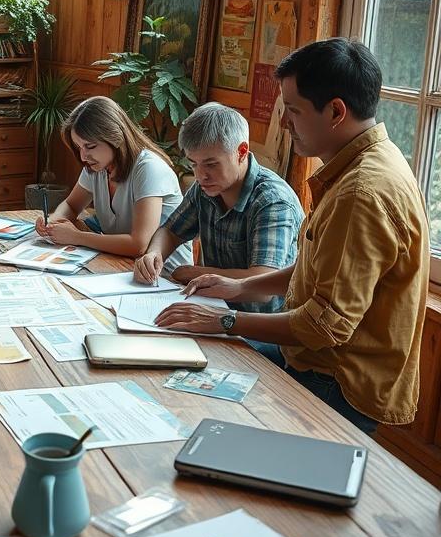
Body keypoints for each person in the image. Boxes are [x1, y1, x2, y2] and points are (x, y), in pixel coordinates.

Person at [156, 39, 430, 434]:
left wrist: (225, 320)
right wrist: (238, 287)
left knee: (197, 405)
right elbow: (312, 270)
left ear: (336, 111)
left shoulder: (360, 193)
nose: (283, 123)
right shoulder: (365, 165)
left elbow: (324, 326)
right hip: (314, 360)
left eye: (294, 111)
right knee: (192, 364)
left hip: (336, 380)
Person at [134, 102, 303, 311]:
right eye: (193, 164)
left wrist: (193, 273)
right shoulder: (205, 188)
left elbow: (263, 286)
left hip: (261, 329)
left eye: (211, 164)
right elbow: (170, 231)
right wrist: (153, 254)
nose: (200, 175)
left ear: (241, 152)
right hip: (213, 310)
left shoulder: (272, 201)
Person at [36, 95, 193, 273]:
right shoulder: (97, 166)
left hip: (167, 277)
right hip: (121, 268)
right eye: (79, 147)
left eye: (90, 146)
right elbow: (71, 205)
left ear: (116, 138)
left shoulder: (149, 169)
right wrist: (54, 221)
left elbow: (138, 245)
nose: (83, 156)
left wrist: (76, 237)